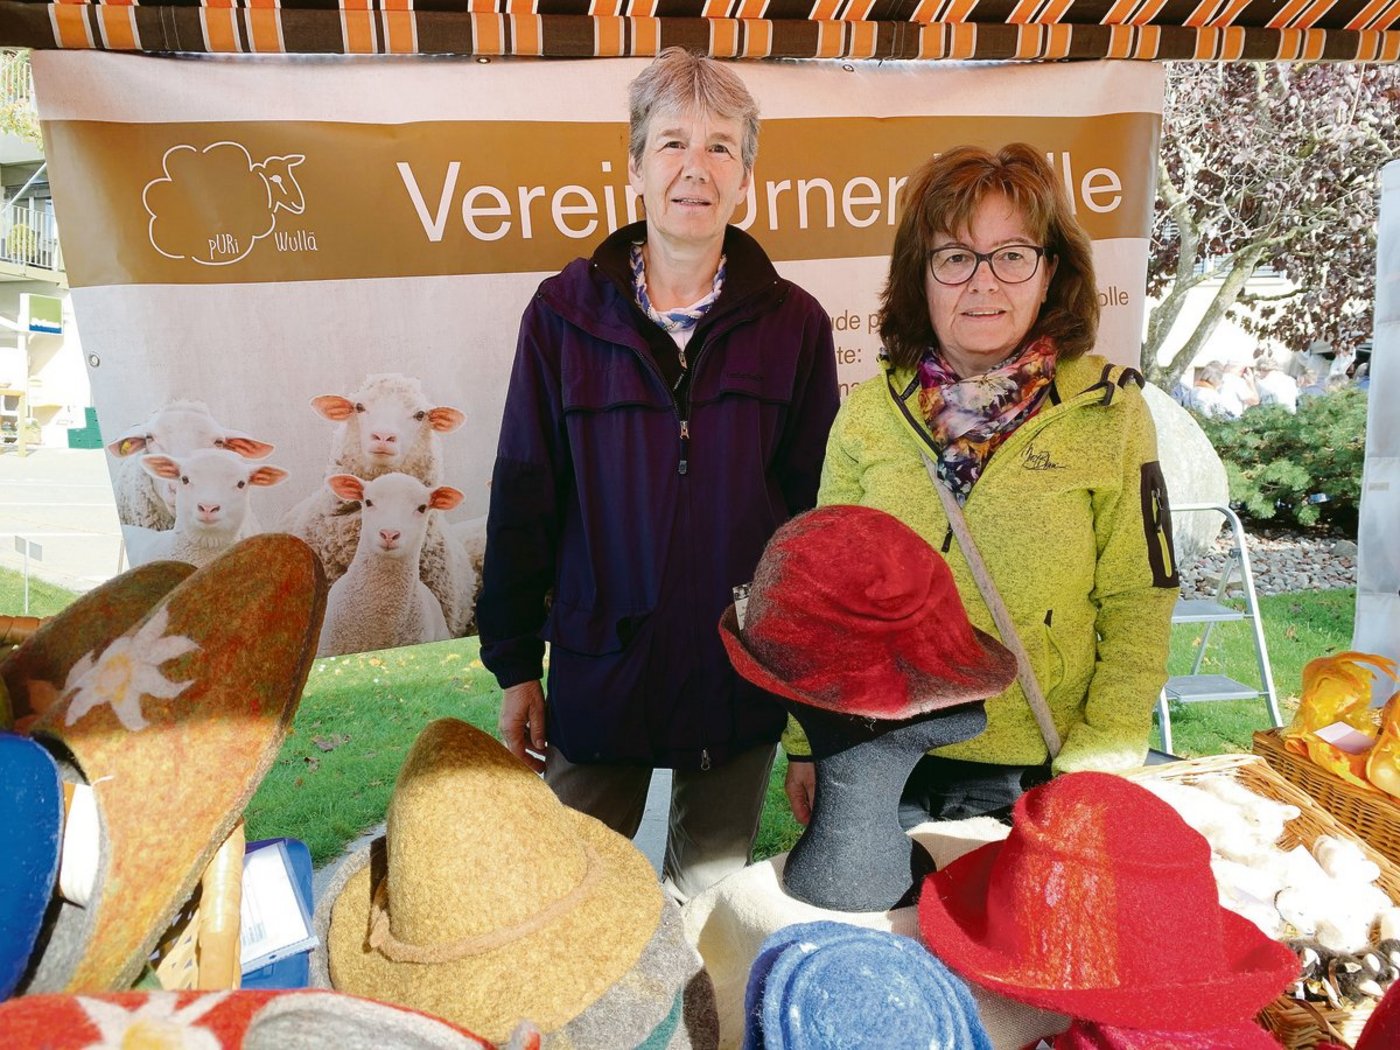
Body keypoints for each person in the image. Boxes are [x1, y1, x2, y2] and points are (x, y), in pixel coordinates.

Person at [476, 49, 839, 901]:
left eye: (721, 147)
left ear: (747, 175)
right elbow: (524, 492)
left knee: (706, 909)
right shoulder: (562, 316)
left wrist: (810, 713)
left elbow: (813, 525)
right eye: (673, 143)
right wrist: (516, 665)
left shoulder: (795, 326)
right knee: (569, 904)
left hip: (734, 684)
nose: (695, 169)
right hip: (603, 677)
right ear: (635, 165)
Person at [783, 144, 1178, 826]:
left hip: (1034, 774)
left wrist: (1098, 765)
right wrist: (806, 744)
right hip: (879, 761)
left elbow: (1140, 603)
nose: (984, 282)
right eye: (956, 256)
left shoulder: (1109, 415)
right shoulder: (870, 416)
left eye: (1013, 254)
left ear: (1050, 271)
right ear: (922, 276)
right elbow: (824, 600)